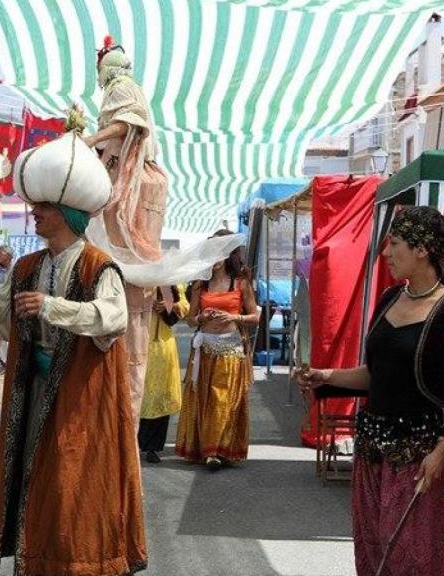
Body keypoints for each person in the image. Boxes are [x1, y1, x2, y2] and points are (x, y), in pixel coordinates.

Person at [0, 196, 145, 574]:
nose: (34, 213)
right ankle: (38, 563)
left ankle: (79, 565)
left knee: (73, 483)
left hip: (81, 396)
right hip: (34, 392)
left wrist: (53, 307)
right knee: (36, 477)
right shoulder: (28, 266)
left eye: (43, 207)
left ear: (67, 215)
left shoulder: (98, 266)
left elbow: (114, 317)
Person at [297, 206, 444, 576]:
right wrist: (327, 375)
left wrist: (442, 453)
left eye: (394, 243)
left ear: (422, 249)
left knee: (410, 560)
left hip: (418, 459)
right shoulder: (388, 299)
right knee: (373, 555)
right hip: (371, 454)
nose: (386, 253)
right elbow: (376, 375)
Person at [85, 37, 169, 425]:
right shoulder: (128, 87)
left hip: (132, 187)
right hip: (138, 182)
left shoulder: (120, 88)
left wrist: (92, 139)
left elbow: (128, 121)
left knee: (123, 273)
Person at [175, 233, 257, 470]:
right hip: (204, 349)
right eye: (212, 253)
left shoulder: (240, 283)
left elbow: (255, 316)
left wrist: (233, 316)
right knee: (205, 399)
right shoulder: (201, 285)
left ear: (229, 255)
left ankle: (218, 450)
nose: (216, 259)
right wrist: (200, 317)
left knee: (223, 400)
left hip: (231, 347)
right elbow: (190, 320)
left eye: (220, 253)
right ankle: (208, 449)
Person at [138, 284, 188, 464]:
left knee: (159, 395)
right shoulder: (135, 277)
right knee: (137, 394)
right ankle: (135, 443)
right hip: (136, 342)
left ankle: (153, 446)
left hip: (161, 346)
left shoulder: (171, 281)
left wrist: (170, 305)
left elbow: (184, 307)